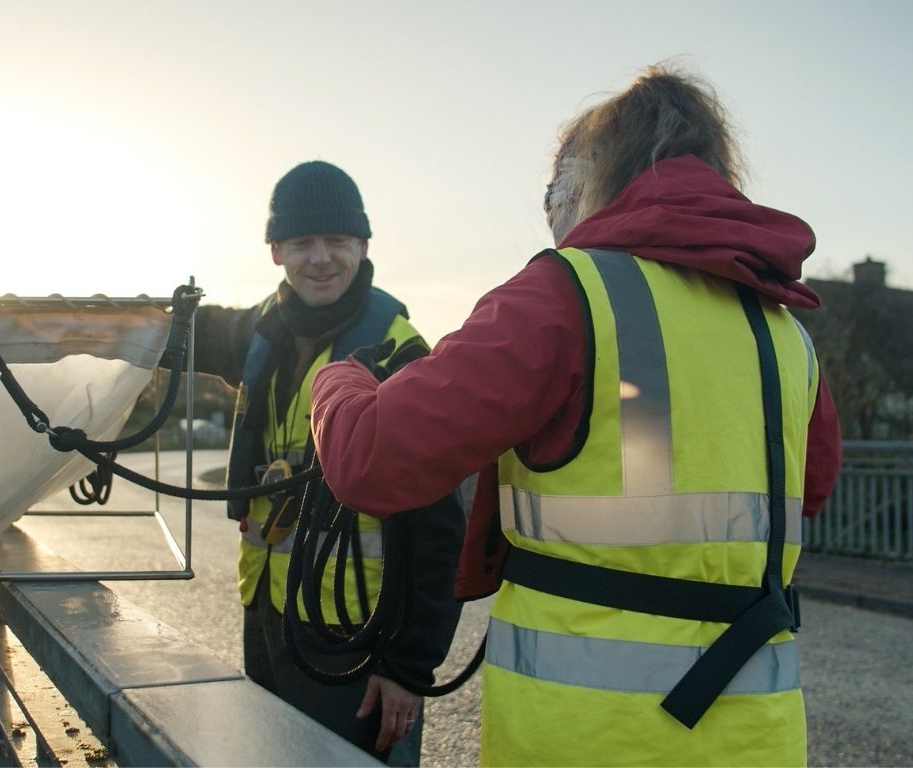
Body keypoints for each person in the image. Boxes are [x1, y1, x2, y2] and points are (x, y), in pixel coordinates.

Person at [308, 68, 843, 766]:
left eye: (552, 195)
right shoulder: (784, 328)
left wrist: (338, 376)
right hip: (757, 736)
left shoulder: (565, 294)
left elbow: (371, 459)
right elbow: (808, 488)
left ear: (590, 176)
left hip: (589, 733)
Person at [190, 160, 464, 765]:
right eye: (301, 242)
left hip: (355, 640)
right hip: (269, 616)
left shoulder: (399, 355)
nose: (320, 258)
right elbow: (184, 332)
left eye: (337, 240)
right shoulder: (265, 333)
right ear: (276, 252)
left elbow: (440, 529)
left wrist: (407, 667)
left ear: (363, 246)